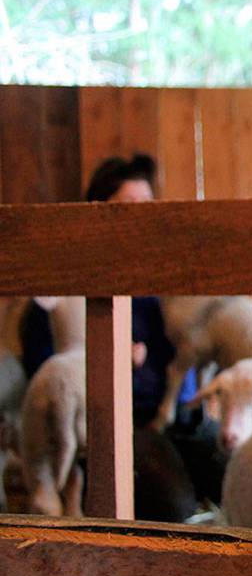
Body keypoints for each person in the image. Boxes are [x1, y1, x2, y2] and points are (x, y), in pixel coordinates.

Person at [19, 153, 227, 515]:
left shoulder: (160, 286)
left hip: (172, 418)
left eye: (148, 205)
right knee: (172, 505)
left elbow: (180, 355)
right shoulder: (67, 284)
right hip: (111, 422)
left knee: (231, 477)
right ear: (98, 211)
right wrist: (108, 360)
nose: (143, 217)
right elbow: (45, 363)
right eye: (130, 205)